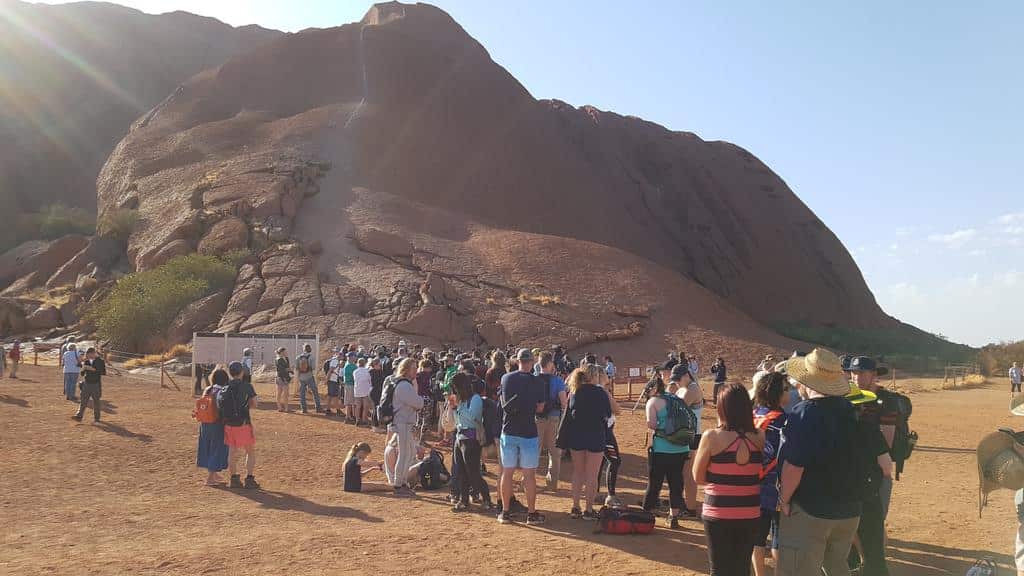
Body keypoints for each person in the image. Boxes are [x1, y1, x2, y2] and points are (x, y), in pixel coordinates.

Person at [776, 349, 863, 576]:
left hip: (811, 509)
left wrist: (784, 499)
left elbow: (794, 466)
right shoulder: (852, 411)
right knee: (836, 567)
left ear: (807, 382)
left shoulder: (803, 413)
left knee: (797, 569)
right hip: (849, 509)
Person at [693, 384, 765, 576]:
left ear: (722, 408)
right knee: (742, 568)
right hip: (750, 512)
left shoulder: (712, 437)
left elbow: (698, 477)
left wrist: (719, 478)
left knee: (719, 569)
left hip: (718, 513)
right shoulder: (759, 436)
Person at [845, 379, 892, 576]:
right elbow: (886, 467)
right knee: (873, 551)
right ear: (860, 406)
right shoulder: (868, 429)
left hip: (834, 498)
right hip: (865, 495)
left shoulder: (827, 428)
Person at [498, 348, 547, 525]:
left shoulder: (506, 378)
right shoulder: (538, 382)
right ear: (532, 362)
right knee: (529, 475)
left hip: (509, 430)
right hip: (528, 431)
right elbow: (541, 408)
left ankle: (505, 512)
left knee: (507, 472)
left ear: (517, 361)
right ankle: (531, 514)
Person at [751, 371, 792, 576]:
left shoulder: (754, 415)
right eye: (786, 388)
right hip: (778, 487)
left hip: (753, 485)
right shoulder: (785, 420)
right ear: (776, 392)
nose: (790, 392)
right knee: (779, 538)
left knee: (757, 538)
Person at [643, 365, 692, 528]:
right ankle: (674, 516)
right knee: (676, 483)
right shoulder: (675, 399)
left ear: (652, 390)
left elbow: (651, 424)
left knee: (655, 483)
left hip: (661, 449)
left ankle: (647, 514)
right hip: (681, 448)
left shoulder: (653, 402)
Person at [561, 364, 612, 519]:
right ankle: (588, 510)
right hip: (596, 435)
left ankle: (575, 507)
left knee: (578, 472)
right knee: (592, 475)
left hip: (577, 436)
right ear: (595, 376)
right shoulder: (600, 392)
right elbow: (608, 414)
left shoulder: (574, 391)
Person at [449, 372, 493, 511]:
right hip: (460, 438)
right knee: (461, 471)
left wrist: (457, 408)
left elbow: (473, 417)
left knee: (473, 472)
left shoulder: (475, 399)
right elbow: (457, 421)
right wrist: (455, 409)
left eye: (455, 388)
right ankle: (464, 500)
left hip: (471, 439)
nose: (454, 391)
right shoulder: (461, 400)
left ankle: (486, 498)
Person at [221, 361, 260, 489]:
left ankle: (234, 479)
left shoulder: (225, 386)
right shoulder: (247, 386)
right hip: (243, 422)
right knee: (250, 451)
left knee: (232, 452)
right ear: (241, 372)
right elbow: (255, 404)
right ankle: (249, 479)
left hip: (229, 424)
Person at [390, 357, 424, 497]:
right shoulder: (404, 385)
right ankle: (399, 484)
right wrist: (418, 398)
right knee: (404, 453)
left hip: (404, 422)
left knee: (409, 452)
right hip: (402, 422)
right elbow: (418, 403)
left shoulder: (404, 384)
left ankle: (402, 482)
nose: (416, 370)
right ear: (406, 369)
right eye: (413, 368)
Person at [674, 365, 705, 518]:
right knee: (682, 472)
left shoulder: (692, 389)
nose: (676, 382)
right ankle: (682, 503)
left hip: (692, 435)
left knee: (688, 473)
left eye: (678, 379)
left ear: (686, 375)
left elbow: (676, 409)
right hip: (684, 434)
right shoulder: (683, 387)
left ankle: (691, 507)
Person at [535, 351, 568, 491]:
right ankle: (552, 482)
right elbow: (563, 402)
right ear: (550, 364)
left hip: (537, 419)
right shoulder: (558, 381)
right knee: (554, 452)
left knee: (534, 450)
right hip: (554, 418)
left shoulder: (534, 379)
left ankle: (528, 480)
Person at [196, 368, 230, 486]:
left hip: (205, 423)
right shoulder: (223, 391)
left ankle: (213, 474)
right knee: (217, 448)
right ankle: (210, 477)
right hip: (217, 424)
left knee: (208, 447)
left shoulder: (208, 389)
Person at [71, 347, 106, 422]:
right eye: (87, 354)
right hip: (86, 383)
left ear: (94, 353)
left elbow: (103, 372)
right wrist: (83, 369)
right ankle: (79, 415)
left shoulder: (100, 361)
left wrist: (92, 369)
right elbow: (82, 373)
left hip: (96, 383)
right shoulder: (86, 361)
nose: (88, 356)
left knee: (96, 401)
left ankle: (97, 418)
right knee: (83, 400)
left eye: (89, 354)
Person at [296, 344, 321, 414]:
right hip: (309, 377)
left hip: (301, 377)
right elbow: (313, 368)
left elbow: (297, 368)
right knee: (315, 392)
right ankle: (318, 408)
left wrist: (298, 377)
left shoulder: (298, 357)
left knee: (302, 394)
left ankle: (304, 409)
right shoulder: (312, 357)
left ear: (303, 349)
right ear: (310, 349)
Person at [353, 356, 373, 426]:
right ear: (364, 363)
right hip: (365, 390)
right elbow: (370, 381)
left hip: (357, 390)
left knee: (358, 406)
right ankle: (364, 419)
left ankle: (357, 419)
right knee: (365, 406)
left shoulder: (355, 371)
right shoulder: (367, 371)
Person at [325, 348, 343, 416]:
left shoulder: (335, 360)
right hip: (332, 380)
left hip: (333, 380)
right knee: (334, 396)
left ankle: (328, 409)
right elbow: (330, 371)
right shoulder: (335, 361)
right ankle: (338, 410)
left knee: (330, 395)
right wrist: (327, 379)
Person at [369, 356, 385, 429]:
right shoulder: (373, 372)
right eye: (379, 365)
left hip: (375, 391)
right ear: (375, 365)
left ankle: (374, 423)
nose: (380, 366)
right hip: (375, 391)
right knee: (376, 407)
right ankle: (375, 425)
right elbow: (378, 382)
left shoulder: (374, 371)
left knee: (375, 407)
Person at [274, 347, 292, 413]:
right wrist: (288, 370)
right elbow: (282, 370)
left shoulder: (284, 358)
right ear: (282, 352)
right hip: (282, 378)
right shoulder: (279, 359)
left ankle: (281, 407)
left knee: (281, 393)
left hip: (281, 377)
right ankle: (284, 408)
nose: (286, 353)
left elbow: (288, 367)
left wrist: (290, 371)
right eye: (285, 352)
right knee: (284, 394)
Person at [343, 351, 359, 424]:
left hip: (348, 384)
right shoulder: (352, 366)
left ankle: (349, 416)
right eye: (355, 356)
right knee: (350, 402)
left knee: (349, 401)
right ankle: (348, 417)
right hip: (350, 385)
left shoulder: (348, 364)